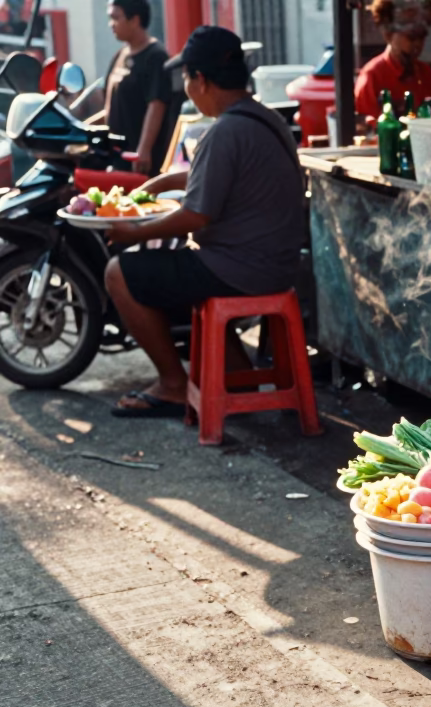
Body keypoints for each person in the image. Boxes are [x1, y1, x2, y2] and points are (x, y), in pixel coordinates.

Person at [103, 26, 306, 418]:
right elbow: (215, 175)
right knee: (180, 267)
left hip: (241, 270)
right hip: (275, 265)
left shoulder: (226, 131)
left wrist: (134, 233)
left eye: (186, 78)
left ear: (201, 80)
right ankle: (234, 373)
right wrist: (160, 182)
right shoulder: (264, 117)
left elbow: (196, 215)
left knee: (119, 273)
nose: (186, 87)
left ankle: (174, 384)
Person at [89, 0, 179, 176]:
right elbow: (110, 108)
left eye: (116, 18)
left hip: (141, 161)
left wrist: (143, 150)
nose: (111, 24)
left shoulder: (156, 56)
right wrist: (82, 128)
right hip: (116, 156)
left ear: (135, 20)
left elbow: (156, 104)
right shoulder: (119, 56)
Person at [354, 0, 431, 117]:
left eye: (421, 38)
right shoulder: (372, 77)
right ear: (388, 35)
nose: (417, 44)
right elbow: (367, 127)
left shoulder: (427, 75)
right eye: (411, 37)